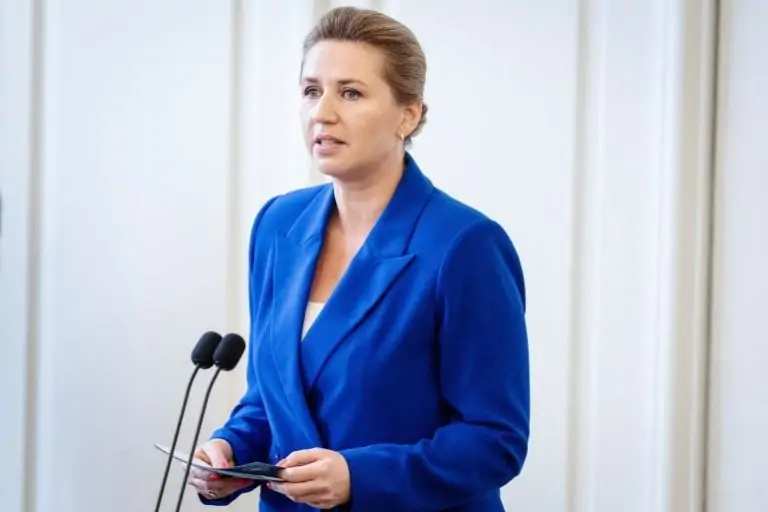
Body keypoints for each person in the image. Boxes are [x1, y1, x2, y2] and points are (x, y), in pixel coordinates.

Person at [187, 6, 530, 511]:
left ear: (407, 115)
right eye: (311, 91)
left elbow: (495, 440)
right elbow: (272, 398)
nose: (322, 113)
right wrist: (231, 451)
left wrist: (358, 476)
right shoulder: (278, 225)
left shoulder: (465, 245)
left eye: (350, 93)